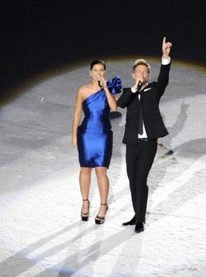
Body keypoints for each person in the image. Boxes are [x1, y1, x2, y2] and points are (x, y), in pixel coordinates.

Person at [117, 37, 173, 233]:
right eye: (139, 71)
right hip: (132, 143)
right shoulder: (128, 92)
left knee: (141, 181)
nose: (142, 73)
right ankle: (135, 214)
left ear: (148, 75)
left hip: (148, 143)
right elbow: (120, 104)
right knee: (132, 181)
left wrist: (165, 57)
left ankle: (140, 219)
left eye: (145, 71)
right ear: (134, 75)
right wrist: (133, 89)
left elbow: (164, 78)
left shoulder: (154, 90)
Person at [72, 60, 121, 224]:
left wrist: (106, 88)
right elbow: (78, 114)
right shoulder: (82, 90)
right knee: (85, 169)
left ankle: (103, 205)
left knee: (101, 170)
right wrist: (74, 135)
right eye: (95, 70)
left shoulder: (111, 88)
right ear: (90, 72)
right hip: (86, 133)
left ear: (105, 72)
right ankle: (85, 203)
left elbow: (114, 108)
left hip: (103, 134)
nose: (98, 73)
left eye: (101, 70)